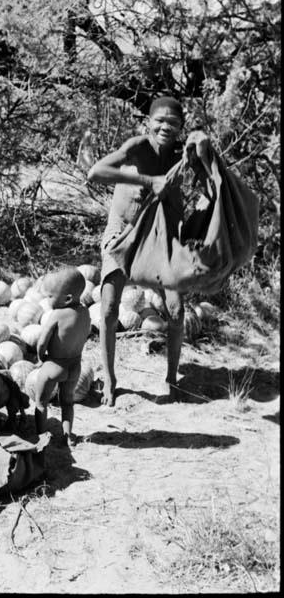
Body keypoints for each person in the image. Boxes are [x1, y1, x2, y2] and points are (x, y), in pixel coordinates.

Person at [87, 96, 212, 406]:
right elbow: (96, 172)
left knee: (177, 310)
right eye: (160, 120)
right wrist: (147, 180)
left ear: (181, 126)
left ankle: (171, 379)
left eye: (173, 122)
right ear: (148, 121)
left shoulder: (181, 155)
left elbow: (210, 183)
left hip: (161, 243)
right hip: (123, 238)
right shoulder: (137, 146)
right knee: (108, 309)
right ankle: (111, 379)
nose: (165, 126)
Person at [34, 267, 91, 448]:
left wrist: (40, 357)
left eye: (50, 296)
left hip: (55, 365)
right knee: (67, 403)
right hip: (75, 366)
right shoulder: (85, 312)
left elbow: (42, 342)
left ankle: (41, 436)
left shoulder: (57, 315)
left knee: (40, 403)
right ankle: (68, 436)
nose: (47, 299)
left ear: (67, 299)